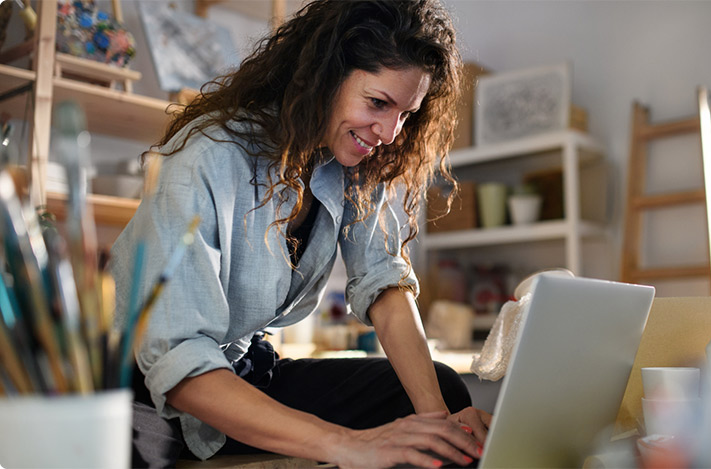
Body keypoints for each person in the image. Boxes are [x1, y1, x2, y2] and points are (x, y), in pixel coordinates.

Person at [108, 0, 491, 467]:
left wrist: (437, 425)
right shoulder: (208, 157)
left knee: (444, 392)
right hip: (153, 394)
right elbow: (180, 364)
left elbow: (384, 283)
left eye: (406, 114)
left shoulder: (352, 161)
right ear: (325, 78)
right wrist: (344, 443)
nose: (390, 132)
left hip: (245, 374)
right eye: (378, 103)